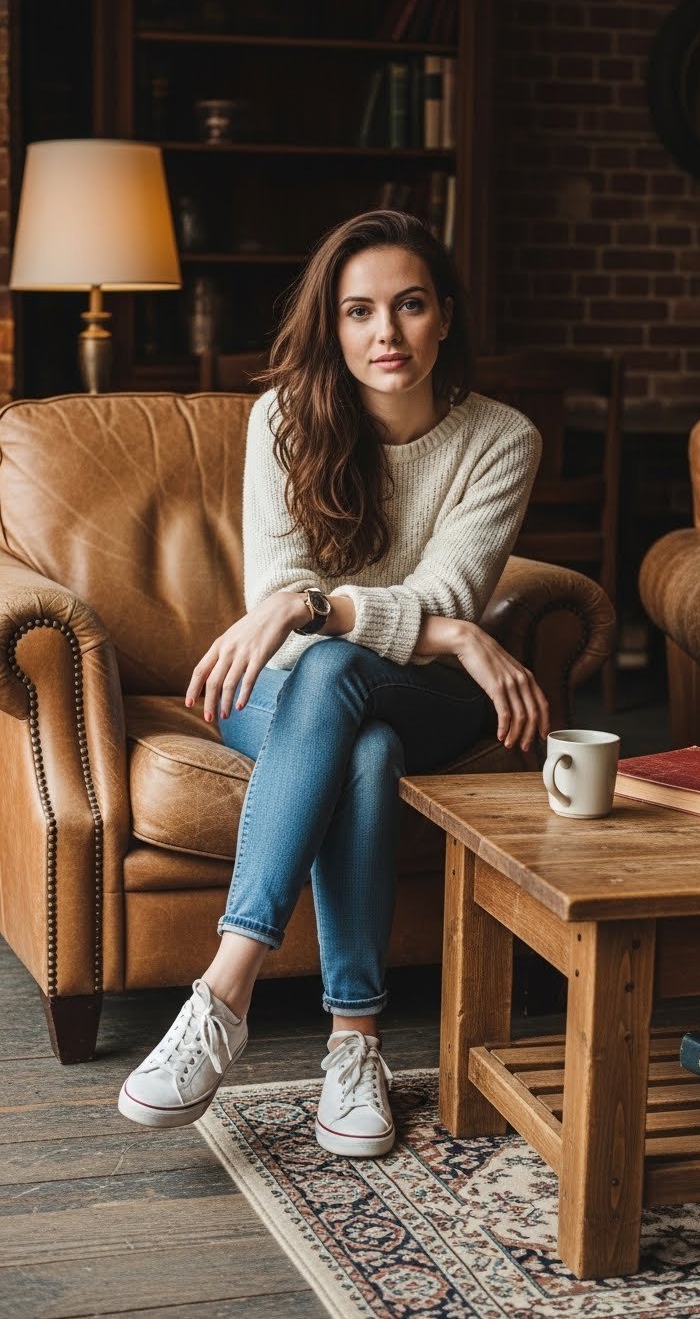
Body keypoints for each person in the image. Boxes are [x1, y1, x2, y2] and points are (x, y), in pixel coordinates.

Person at [118, 209, 548, 1157]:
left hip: (429, 698)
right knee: (361, 735)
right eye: (359, 311)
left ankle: (221, 993)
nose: (385, 334)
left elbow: (438, 587)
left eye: (409, 306)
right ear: (333, 324)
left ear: (446, 318)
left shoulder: (501, 438)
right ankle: (355, 1042)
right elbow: (300, 596)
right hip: (298, 695)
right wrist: (451, 633)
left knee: (341, 665)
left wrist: (317, 610)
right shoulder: (284, 419)